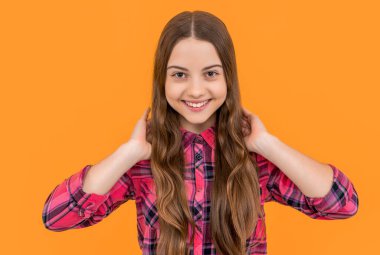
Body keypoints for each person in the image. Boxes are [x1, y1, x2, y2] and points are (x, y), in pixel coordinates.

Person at [42, 10, 359, 255]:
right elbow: (57, 218)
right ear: (162, 81)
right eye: (179, 74)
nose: (195, 90)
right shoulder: (142, 163)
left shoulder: (255, 161)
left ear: (228, 79)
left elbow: (342, 204)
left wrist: (268, 144)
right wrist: (129, 152)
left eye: (210, 73)